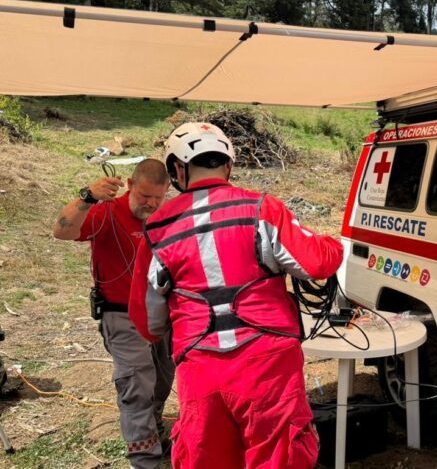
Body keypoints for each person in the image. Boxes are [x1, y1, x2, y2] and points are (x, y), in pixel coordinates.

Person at [128, 122, 344, 469]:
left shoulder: (157, 230)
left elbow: (149, 323)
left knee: (207, 457)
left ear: (178, 170)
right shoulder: (263, 208)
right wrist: (334, 245)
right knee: (279, 455)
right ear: (228, 165)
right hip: (269, 364)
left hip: (200, 369)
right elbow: (316, 262)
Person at [53, 159, 175, 469]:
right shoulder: (107, 211)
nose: (149, 204)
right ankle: (145, 460)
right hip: (121, 315)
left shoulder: (167, 217)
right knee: (137, 386)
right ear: (131, 185)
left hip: (162, 314)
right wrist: (86, 196)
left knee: (161, 381)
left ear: (167, 191)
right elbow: (61, 231)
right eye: (144, 196)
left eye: (157, 198)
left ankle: (155, 429)